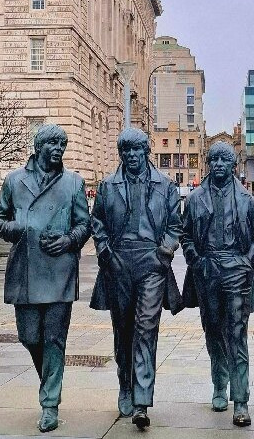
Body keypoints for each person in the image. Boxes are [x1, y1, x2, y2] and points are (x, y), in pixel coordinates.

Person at [0, 124, 91, 433]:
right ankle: (49, 379)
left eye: (62, 144)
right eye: (52, 143)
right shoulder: (14, 181)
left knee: (55, 340)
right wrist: (17, 229)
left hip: (59, 270)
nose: (58, 149)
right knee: (30, 337)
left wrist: (69, 240)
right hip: (26, 270)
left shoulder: (73, 183)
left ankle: (50, 404)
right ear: (38, 147)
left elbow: (85, 224)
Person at [89, 127, 183, 429]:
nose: (131, 155)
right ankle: (125, 385)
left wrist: (164, 252)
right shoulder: (107, 186)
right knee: (123, 330)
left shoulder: (165, 186)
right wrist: (104, 251)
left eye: (136, 150)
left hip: (151, 264)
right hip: (119, 263)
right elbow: (98, 221)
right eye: (126, 151)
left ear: (146, 152)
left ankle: (142, 400)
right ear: (121, 154)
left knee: (146, 328)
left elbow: (174, 225)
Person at [180, 141, 254, 427]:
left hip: (236, 271)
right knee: (213, 331)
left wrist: (246, 264)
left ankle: (240, 400)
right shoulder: (194, 199)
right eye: (214, 159)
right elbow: (186, 237)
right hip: (207, 272)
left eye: (224, 160)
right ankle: (220, 384)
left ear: (233, 165)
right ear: (208, 164)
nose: (218, 164)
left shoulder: (244, 199)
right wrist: (197, 261)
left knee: (237, 334)